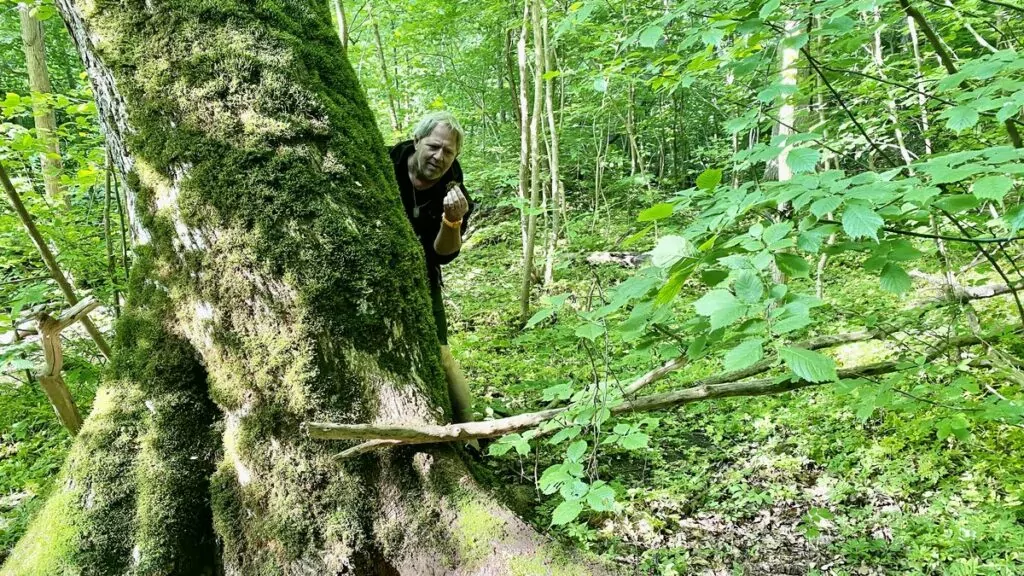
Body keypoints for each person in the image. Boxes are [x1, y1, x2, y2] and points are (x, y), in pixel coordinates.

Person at [389, 111, 475, 423]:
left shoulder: (454, 192)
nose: (440, 157)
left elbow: (444, 254)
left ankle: (471, 435)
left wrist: (452, 219)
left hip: (421, 276)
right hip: (377, 266)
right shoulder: (383, 164)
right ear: (417, 141)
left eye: (448, 152)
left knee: (442, 355)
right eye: (434, 147)